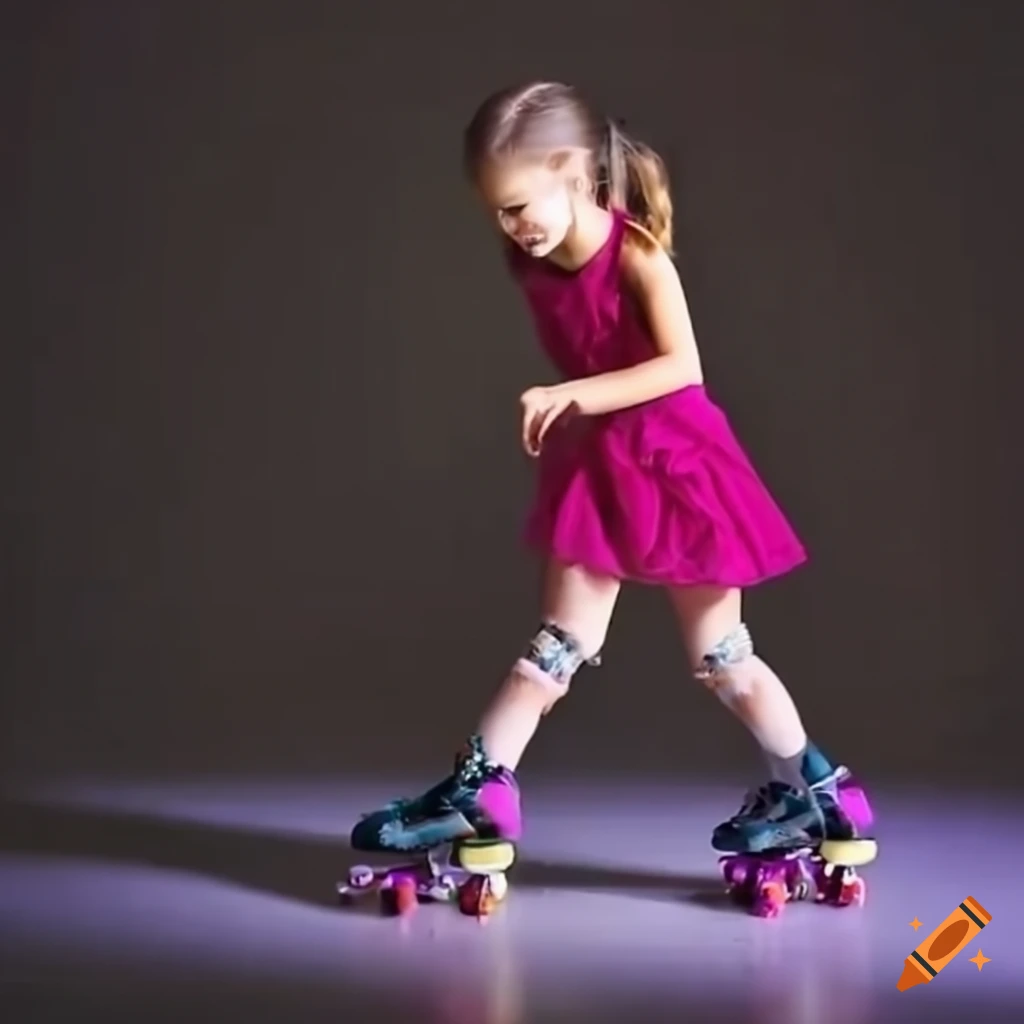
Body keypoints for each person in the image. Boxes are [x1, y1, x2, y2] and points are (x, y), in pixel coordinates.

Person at [350, 81, 871, 866]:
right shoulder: (531, 256)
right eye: (499, 210)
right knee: (557, 647)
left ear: (573, 172)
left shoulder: (636, 254)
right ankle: (481, 792)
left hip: (676, 462)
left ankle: (819, 791)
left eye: (523, 204)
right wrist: (577, 406)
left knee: (724, 659)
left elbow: (683, 367)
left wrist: (570, 393)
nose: (514, 227)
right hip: (601, 466)